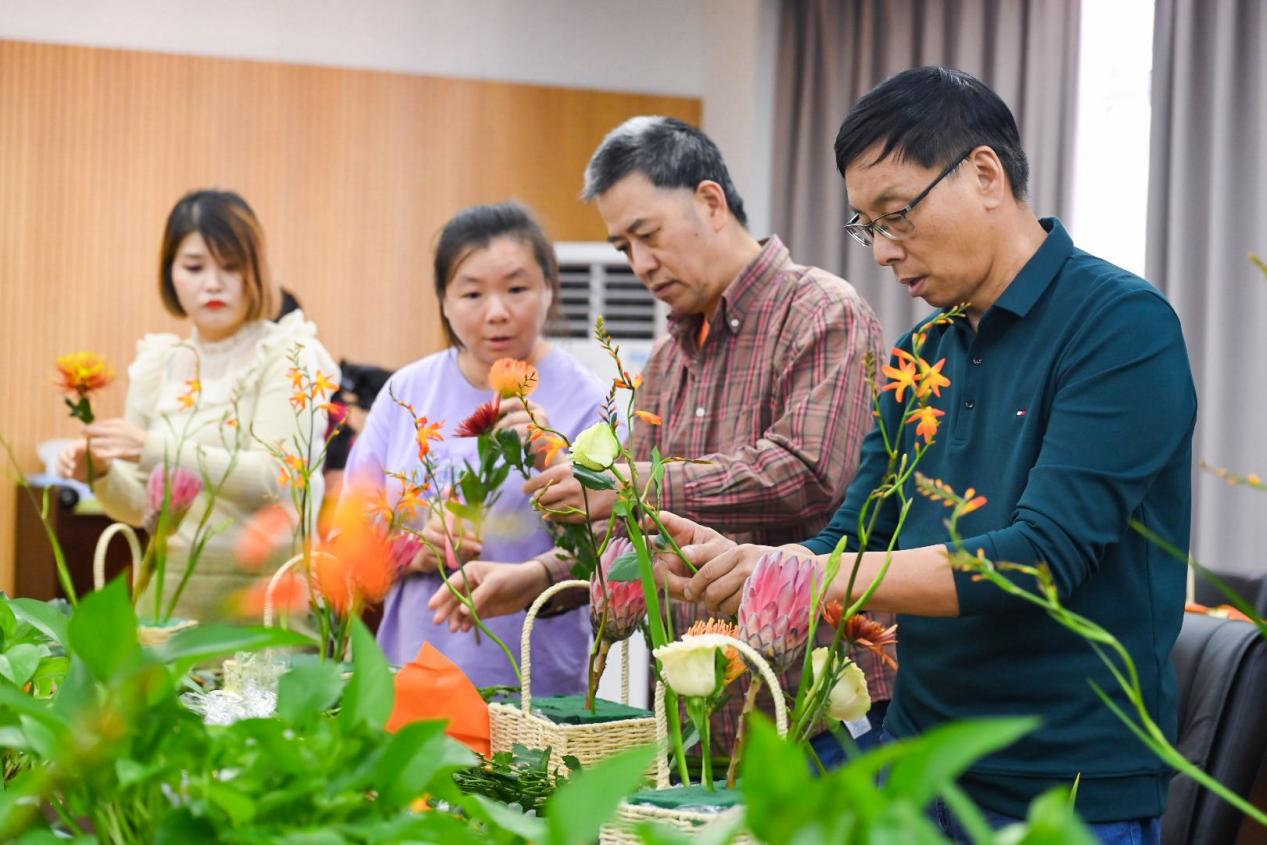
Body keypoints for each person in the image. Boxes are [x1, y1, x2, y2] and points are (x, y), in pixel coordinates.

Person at [657, 67, 1195, 844]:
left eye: (895, 215)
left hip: (1059, 785)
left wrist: (807, 574)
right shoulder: (922, 354)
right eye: (864, 226)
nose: (880, 250)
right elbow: (854, 537)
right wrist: (752, 566)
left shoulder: (1119, 327)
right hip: (911, 760)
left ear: (983, 174)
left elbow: (1034, 561)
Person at [433, 117, 890, 751]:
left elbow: (806, 474)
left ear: (710, 202)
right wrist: (536, 576)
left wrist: (632, 481)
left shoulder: (821, 312)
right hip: (699, 717)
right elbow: (633, 527)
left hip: (810, 706)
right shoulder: (669, 358)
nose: (640, 265)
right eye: (623, 247)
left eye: (647, 235)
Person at [342, 201, 606, 695]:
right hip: (410, 676)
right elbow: (346, 545)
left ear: (550, 288)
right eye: (471, 293)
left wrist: (554, 458)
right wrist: (412, 550)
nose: (497, 312)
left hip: (538, 685)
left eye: (517, 288)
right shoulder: (405, 393)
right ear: (442, 300)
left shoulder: (588, 401)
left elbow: (612, 555)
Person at [59, 189, 339, 621]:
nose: (212, 283)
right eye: (194, 266)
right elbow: (139, 508)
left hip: (265, 604)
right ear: (170, 272)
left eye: (230, 266)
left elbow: (275, 477)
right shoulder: (161, 362)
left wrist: (151, 447)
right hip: (169, 602)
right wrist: (97, 474)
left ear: (257, 271)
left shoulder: (289, 353)